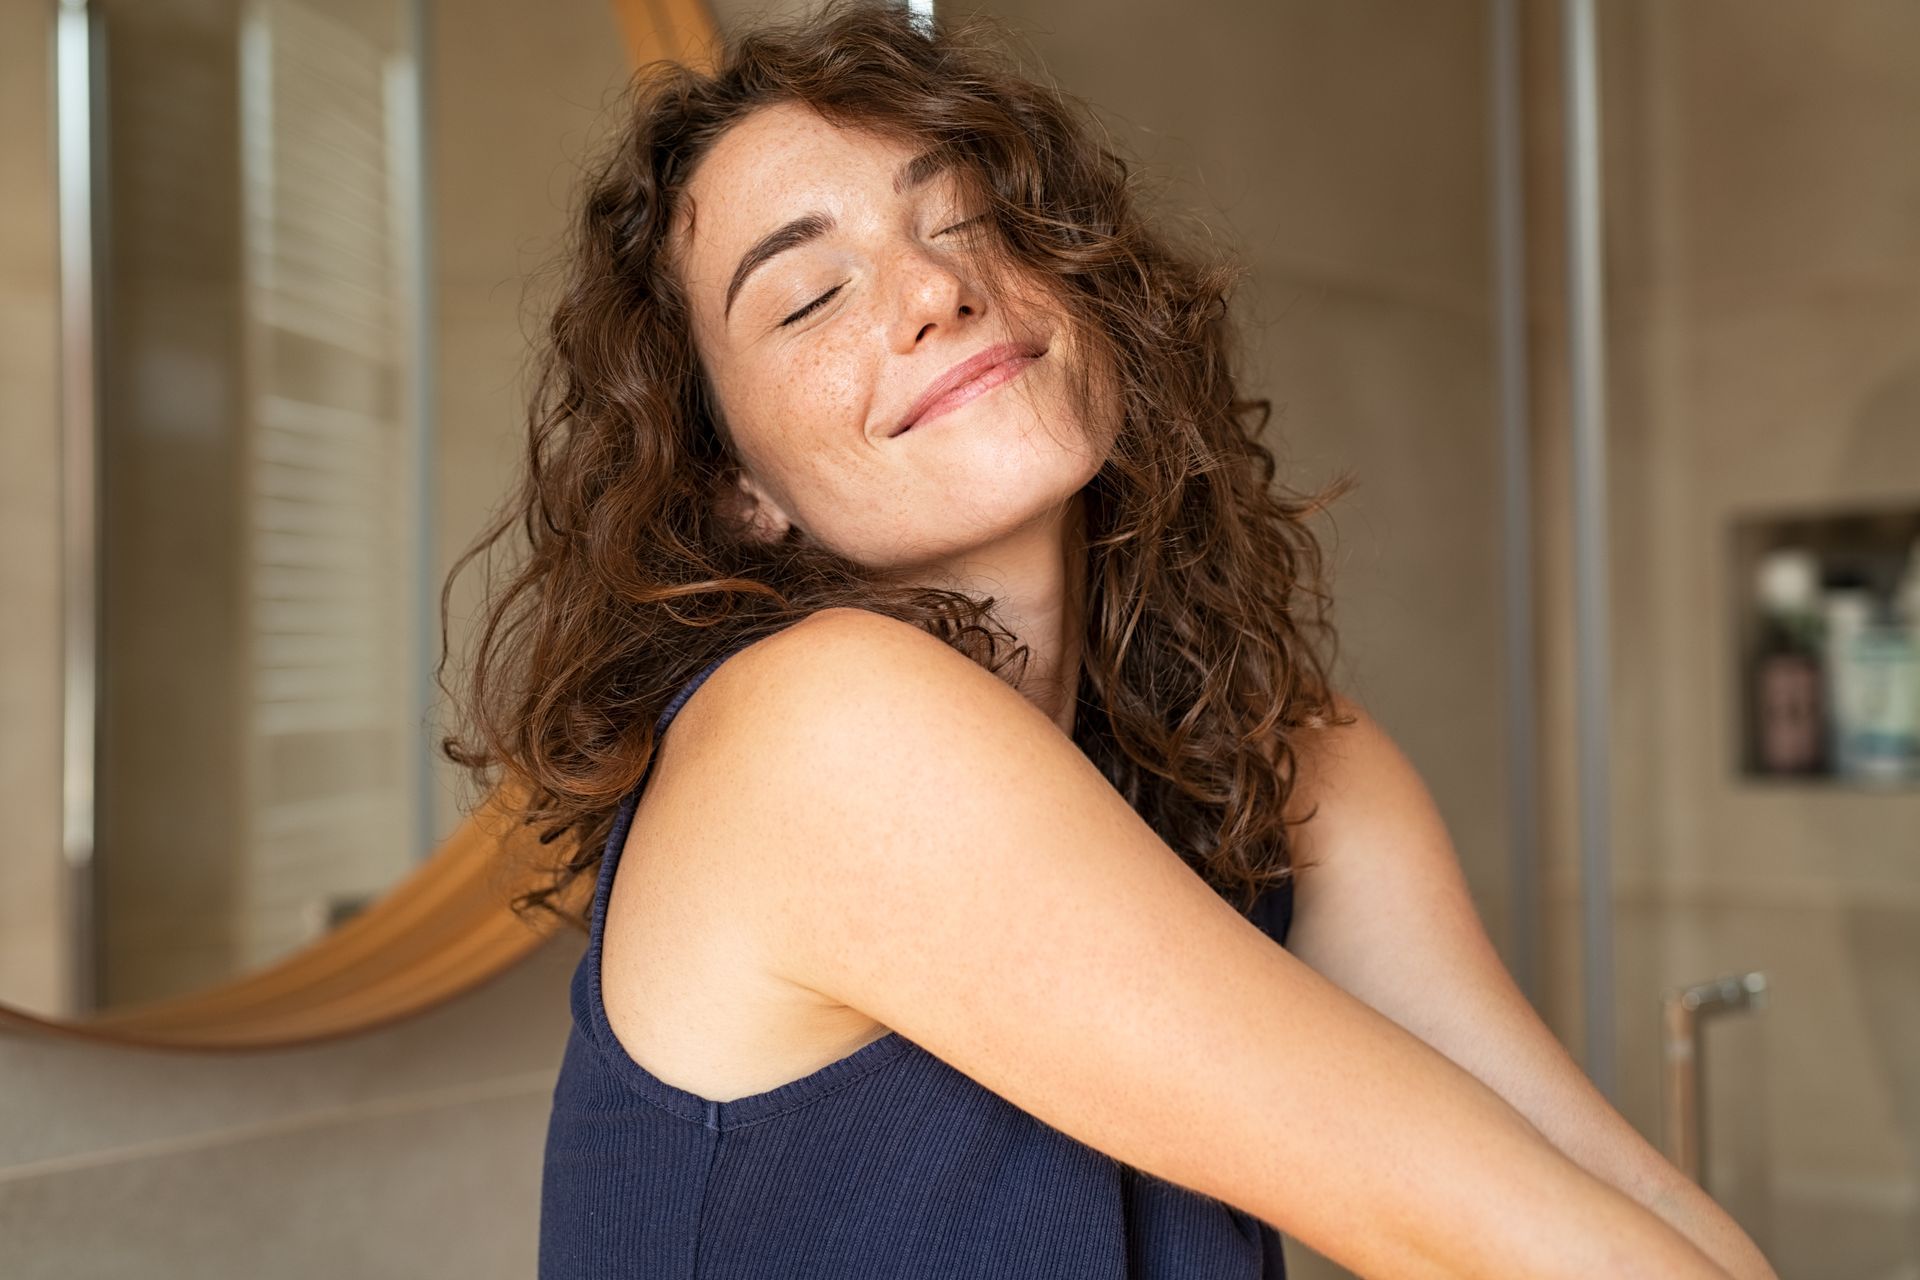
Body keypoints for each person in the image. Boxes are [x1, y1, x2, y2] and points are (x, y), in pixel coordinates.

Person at [439, 2, 1777, 1276]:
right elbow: (1493, 1241)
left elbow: (1617, 1200)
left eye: (962, 217)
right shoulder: (817, 733)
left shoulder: (1288, 754)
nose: (931, 291)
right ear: (740, 488)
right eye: (805, 298)